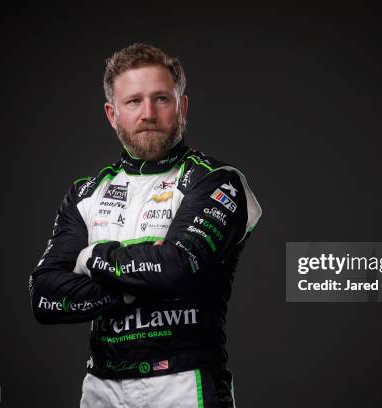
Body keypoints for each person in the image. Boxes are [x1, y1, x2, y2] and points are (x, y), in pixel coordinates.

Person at [29, 43, 262, 407]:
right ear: (112, 113)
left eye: (162, 99)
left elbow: (175, 269)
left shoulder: (216, 181)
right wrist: (133, 283)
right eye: (134, 101)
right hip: (100, 386)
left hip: (184, 382)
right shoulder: (86, 193)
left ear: (182, 107)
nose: (148, 113)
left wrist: (91, 259)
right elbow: (44, 296)